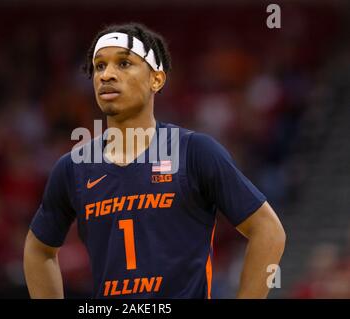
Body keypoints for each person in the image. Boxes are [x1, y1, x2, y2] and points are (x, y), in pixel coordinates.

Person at [23, 22, 286, 299]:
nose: (107, 75)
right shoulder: (72, 167)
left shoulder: (195, 151)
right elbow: (38, 249)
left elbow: (268, 230)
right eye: (99, 66)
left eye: (123, 63)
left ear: (156, 79)